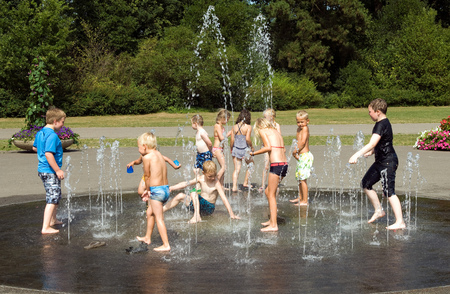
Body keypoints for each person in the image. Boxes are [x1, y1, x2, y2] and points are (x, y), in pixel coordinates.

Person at [349, 98, 406, 230]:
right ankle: (379, 210)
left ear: (378, 112)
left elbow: (373, 142)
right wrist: (373, 152)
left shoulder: (381, 124)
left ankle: (400, 221)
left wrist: (357, 154)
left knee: (389, 191)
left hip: (388, 162)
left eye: (370, 112)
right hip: (381, 161)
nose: (369, 114)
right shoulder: (383, 123)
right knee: (366, 183)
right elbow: (383, 142)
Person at [164, 161, 240, 223]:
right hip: (199, 206)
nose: (213, 178)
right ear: (203, 173)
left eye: (214, 175)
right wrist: (172, 187)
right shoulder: (200, 179)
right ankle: (159, 211)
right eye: (210, 176)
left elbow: (224, 198)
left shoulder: (216, 183)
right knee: (180, 196)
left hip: (208, 208)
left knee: (193, 192)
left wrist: (231, 214)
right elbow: (186, 183)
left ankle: (196, 216)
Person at [135, 132, 172, 251]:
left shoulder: (147, 157)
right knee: (149, 213)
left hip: (156, 191)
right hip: (165, 189)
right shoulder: (159, 154)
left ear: (144, 146)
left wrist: (148, 191)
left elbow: (147, 176)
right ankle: (147, 237)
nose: (138, 149)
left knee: (159, 218)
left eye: (138, 147)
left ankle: (166, 245)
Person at [32, 107, 66, 234]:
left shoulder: (41, 133)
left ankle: (53, 220)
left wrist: (42, 150)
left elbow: (35, 148)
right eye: (62, 122)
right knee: (52, 197)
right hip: (50, 170)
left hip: (43, 169)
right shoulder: (52, 136)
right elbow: (48, 154)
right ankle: (45, 227)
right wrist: (58, 170)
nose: (63, 125)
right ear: (55, 121)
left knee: (56, 195)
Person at [250, 118, 288, 232]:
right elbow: (284, 149)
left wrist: (253, 153)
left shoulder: (263, 131)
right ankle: (272, 219)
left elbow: (268, 147)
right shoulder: (276, 131)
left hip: (276, 165)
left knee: (271, 194)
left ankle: (274, 225)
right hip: (284, 164)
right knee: (268, 192)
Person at [290, 110, 313, 206]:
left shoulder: (305, 129)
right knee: (299, 178)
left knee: (303, 179)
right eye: (298, 122)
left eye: (302, 122)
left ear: (307, 121)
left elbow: (303, 142)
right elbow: (297, 141)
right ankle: (300, 196)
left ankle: (305, 200)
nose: (300, 124)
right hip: (301, 156)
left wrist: (296, 151)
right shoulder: (298, 129)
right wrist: (295, 151)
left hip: (305, 156)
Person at [230, 109, 254, 192]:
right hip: (245, 149)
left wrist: (231, 148)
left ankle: (234, 187)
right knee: (251, 165)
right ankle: (245, 182)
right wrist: (252, 146)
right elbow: (247, 139)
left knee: (237, 169)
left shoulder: (234, 127)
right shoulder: (248, 127)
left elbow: (232, 140)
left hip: (236, 149)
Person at [261, 108, 281, 192]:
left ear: (271, 116)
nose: (264, 119)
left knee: (274, 166)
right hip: (266, 147)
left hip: (274, 148)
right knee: (266, 166)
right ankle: (263, 185)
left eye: (266, 117)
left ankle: (274, 184)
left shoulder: (277, 125)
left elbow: (279, 136)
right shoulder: (264, 125)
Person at [213, 109, 231, 186]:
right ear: (223, 118)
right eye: (227, 119)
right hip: (217, 149)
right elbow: (221, 138)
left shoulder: (221, 126)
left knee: (223, 167)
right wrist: (230, 133)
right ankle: (215, 183)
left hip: (220, 149)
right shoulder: (217, 126)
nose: (227, 121)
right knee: (224, 167)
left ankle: (221, 185)